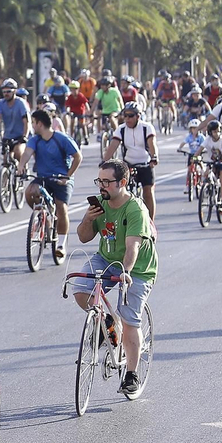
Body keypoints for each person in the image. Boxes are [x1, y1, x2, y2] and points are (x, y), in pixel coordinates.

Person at [70, 160, 157, 398]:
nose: (102, 186)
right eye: (99, 181)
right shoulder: (100, 204)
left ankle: (131, 374)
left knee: (129, 318)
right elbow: (83, 237)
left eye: (107, 182)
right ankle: (108, 321)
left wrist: (125, 272)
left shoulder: (135, 209)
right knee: (81, 290)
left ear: (123, 182)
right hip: (106, 258)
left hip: (137, 267)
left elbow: (133, 247)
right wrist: (88, 219)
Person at [19, 109, 82, 262]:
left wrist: (67, 176)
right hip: (43, 177)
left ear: (40, 124)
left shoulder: (61, 138)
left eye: (33, 123)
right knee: (30, 192)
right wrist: (21, 166)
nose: (32, 126)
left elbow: (78, 157)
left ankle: (61, 245)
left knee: (61, 207)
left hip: (62, 178)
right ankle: (44, 217)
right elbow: (27, 153)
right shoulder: (35, 140)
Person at [105, 104, 158, 219]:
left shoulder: (147, 127)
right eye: (125, 116)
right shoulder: (121, 129)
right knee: (121, 192)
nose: (127, 119)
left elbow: (152, 144)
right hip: (128, 164)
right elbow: (113, 146)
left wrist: (154, 157)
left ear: (138, 116)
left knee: (148, 192)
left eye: (131, 116)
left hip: (145, 163)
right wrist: (105, 161)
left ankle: (150, 223)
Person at [0, 79, 31, 165]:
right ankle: (6, 173)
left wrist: (25, 136)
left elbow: (26, 121)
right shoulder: (1, 103)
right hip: (8, 136)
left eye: (8, 91)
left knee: (18, 152)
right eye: (4, 92)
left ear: (15, 91)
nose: (6, 94)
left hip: (20, 135)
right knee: (6, 160)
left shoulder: (21, 103)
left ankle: (24, 167)